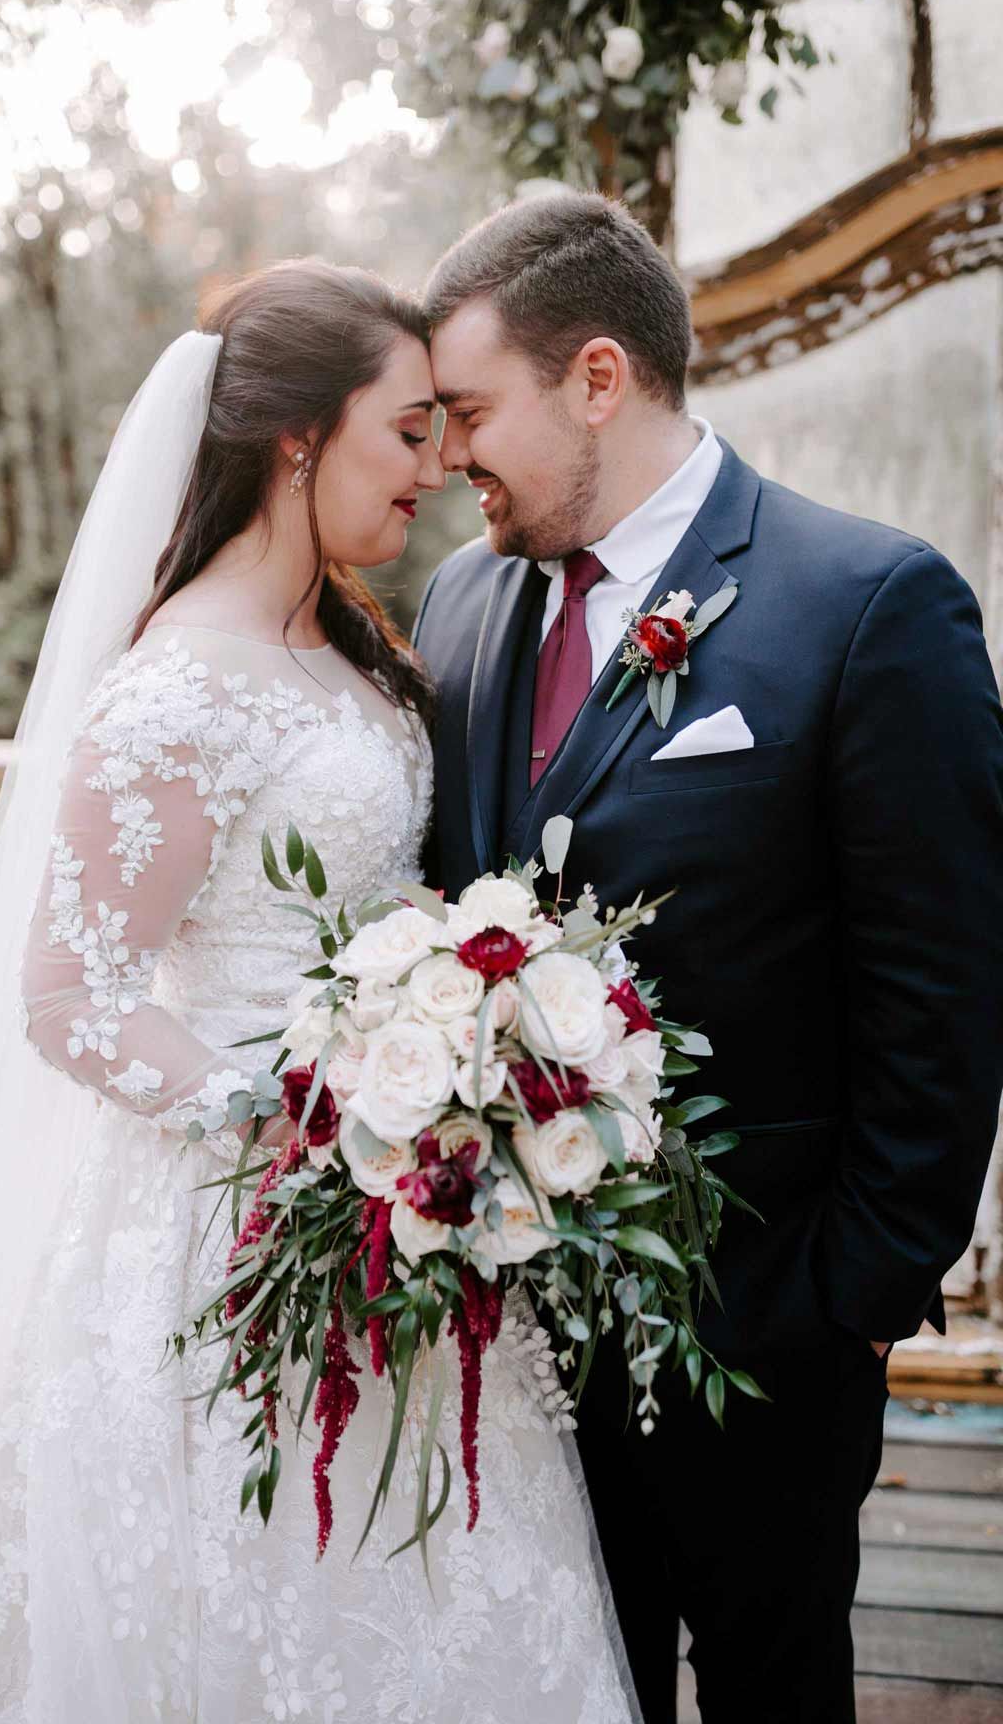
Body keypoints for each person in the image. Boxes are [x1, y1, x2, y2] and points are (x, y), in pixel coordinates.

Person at [0, 260, 641, 1723]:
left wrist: (459, 1053)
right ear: (296, 439)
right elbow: (71, 995)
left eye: (447, 430)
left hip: (401, 1220)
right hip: (234, 1230)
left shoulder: (360, 649)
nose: (437, 469)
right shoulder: (175, 688)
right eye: (406, 430)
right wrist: (318, 1123)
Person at [413, 191, 1003, 1724]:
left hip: (768, 1322)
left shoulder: (869, 603)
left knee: (771, 1685)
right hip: (516, 1331)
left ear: (597, 379)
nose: (448, 455)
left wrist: (865, 1287)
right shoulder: (466, 604)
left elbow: (943, 982)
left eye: (473, 411)